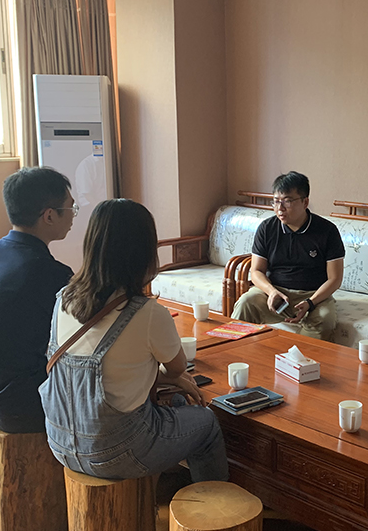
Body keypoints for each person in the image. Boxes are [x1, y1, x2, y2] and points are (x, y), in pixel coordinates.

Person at [40, 198, 228, 482]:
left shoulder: (63, 298)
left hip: (59, 441)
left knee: (177, 402)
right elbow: (178, 368)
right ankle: (212, 505)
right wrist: (169, 377)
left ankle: (170, 488)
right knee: (206, 423)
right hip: (116, 452)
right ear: (144, 252)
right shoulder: (147, 313)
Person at [0, 167, 76, 434]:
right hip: (21, 406)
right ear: (49, 216)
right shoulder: (51, 273)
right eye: (70, 208)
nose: (73, 216)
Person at [231, 171, 345, 340]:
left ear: (305, 202)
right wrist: (271, 292)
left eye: (287, 201)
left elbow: (335, 279)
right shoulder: (267, 228)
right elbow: (256, 271)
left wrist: (310, 302)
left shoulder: (327, 231)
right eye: (276, 201)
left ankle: (298, 355)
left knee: (324, 318)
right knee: (246, 303)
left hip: (313, 295)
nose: (280, 208)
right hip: (275, 291)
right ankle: (231, 352)